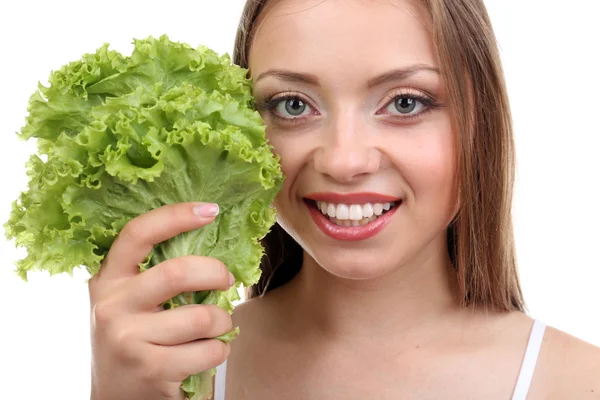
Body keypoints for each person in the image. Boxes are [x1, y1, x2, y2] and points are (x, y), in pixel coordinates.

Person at [89, 0, 600, 399]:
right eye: (293, 105)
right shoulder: (178, 368)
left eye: (405, 102)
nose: (343, 159)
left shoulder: (578, 384)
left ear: (480, 122)